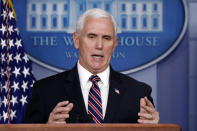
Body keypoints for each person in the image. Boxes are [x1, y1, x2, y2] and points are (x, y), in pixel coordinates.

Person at [23, 8, 159, 124]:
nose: (99, 45)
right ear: (76, 40)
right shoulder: (45, 91)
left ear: (114, 44)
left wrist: (154, 129)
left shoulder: (139, 94)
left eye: (106, 38)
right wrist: (46, 128)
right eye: (92, 36)